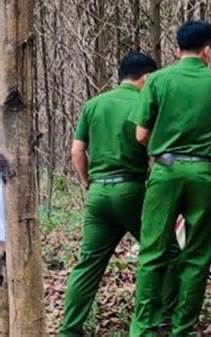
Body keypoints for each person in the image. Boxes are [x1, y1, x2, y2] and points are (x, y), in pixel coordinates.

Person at [129, 20, 211, 337]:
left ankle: (144, 327)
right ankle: (183, 328)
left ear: (177, 50)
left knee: (152, 253)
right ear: (208, 50)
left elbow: (140, 134)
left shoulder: (157, 81)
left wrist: (166, 147)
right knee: (198, 255)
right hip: (205, 173)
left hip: (166, 171)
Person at [60, 52, 160, 337]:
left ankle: (70, 329)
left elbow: (76, 152)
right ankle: (150, 321)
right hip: (133, 190)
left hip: (99, 192)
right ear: (147, 77)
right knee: (158, 254)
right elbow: (154, 147)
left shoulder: (93, 105)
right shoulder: (145, 102)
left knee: (88, 263)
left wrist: (89, 182)